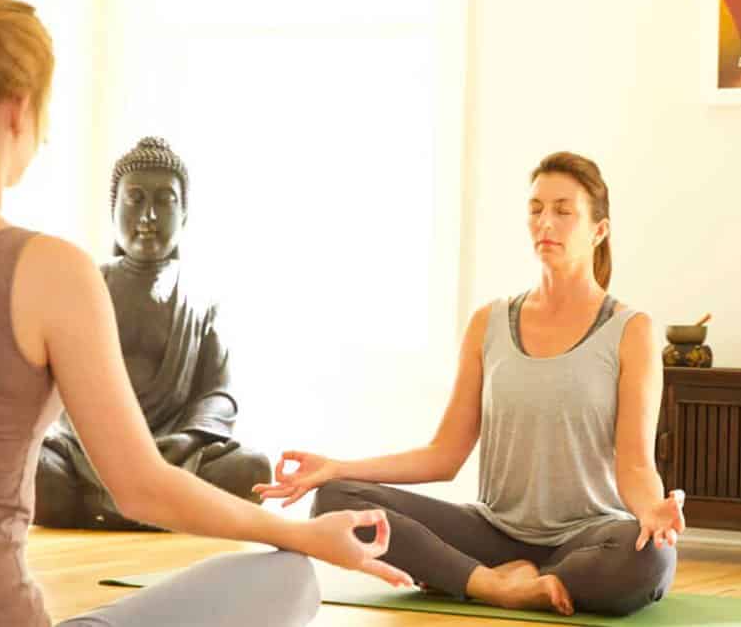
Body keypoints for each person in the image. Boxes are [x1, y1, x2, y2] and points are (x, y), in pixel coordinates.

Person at [0, 0, 410, 627]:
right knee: (286, 576)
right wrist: (308, 536)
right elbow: (141, 486)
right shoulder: (49, 269)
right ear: (18, 110)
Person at [255, 152, 682, 616]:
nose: (545, 223)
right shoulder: (490, 322)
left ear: (599, 230)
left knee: (651, 558)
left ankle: (497, 578)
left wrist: (651, 510)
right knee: (336, 502)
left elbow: (635, 467)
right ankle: (494, 585)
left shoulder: (629, 329)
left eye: (563, 211)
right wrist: (337, 467)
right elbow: (445, 454)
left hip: (586, 538)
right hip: (491, 534)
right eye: (536, 209)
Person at [36, 137, 272, 530]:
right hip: (89, 450)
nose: (148, 215)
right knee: (32, 471)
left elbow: (220, 392)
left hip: (173, 450)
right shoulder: (88, 285)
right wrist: (107, 448)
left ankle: (122, 509)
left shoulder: (202, 300)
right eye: (135, 199)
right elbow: (61, 383)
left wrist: (186, 440)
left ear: (184, 215)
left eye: (164, 201)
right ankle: (158, 511)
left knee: (253, 469)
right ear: (113, 209)